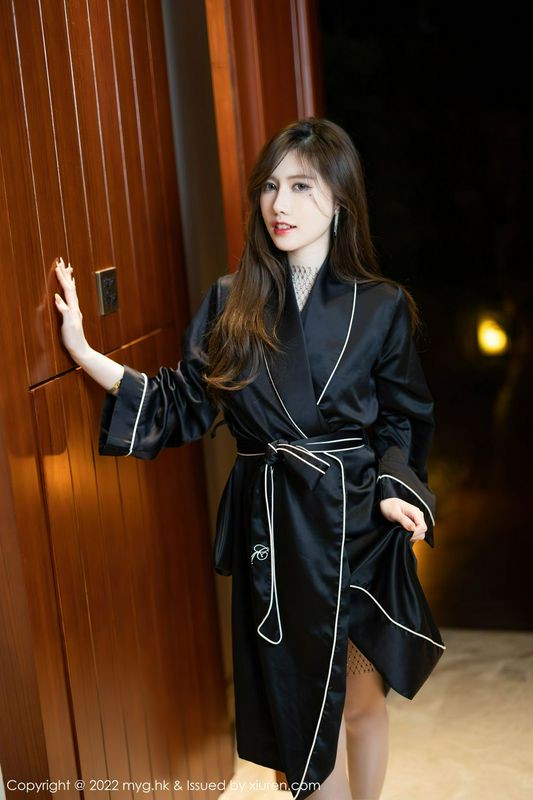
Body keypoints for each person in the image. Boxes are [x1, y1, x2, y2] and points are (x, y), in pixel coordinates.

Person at [54, 117, 445, 800]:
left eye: (300, 186)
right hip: (278, 531)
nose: (279, 204)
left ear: (339, 200)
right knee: (305, 716)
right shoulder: (231, 301)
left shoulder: (381, 305)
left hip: (358, 525)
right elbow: (182, 402)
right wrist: (86, 353)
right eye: (269, 186)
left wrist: (394, 487)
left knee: (359, 702)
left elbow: (401, 419)